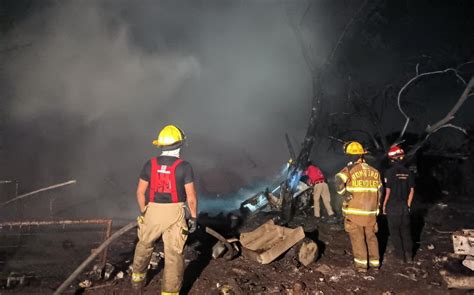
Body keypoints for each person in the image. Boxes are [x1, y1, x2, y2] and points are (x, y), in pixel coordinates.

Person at [131, 124, 198, 294]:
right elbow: (191, 198)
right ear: (180, 144)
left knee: (144, 246)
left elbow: (140, 192)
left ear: (160, 145)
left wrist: (144, 211)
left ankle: (137, 283)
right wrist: (194, 218)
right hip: (175, 213)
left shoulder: (149, 164)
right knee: (174, 256)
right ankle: (169, 292)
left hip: (152, 211)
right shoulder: (184, 167)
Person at [335, 141, 382, 272]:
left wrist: (344, 194)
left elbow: (338, 180)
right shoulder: (375, 171)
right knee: (372, 238)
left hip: (354, 212)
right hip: (371, 212)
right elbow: (380, 191)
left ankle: (362, 266)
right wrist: (377, 207)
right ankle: (375, 263)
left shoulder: (349, 170)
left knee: (358, 238)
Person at [382, 145, 415, 263]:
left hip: (393, 207)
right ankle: (409, 256)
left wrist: (384, 206)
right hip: (404, 207)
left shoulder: (389, 172)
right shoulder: (409, 173)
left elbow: (388, 191)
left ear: (392, 159)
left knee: (395, 232)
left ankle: (400, 257)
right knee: (406, 232)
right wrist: (408, 205)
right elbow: (411, 191)